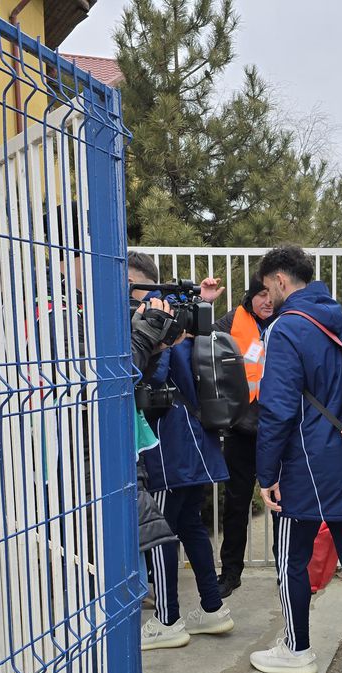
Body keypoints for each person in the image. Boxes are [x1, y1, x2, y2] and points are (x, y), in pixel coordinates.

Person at [251, 245, 342, 673]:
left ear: (280, 280)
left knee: (292, 557)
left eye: (267, 286)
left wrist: (266, 472)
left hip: (306, 467)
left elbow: (276, 409)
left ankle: (297, 650)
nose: (266, 295)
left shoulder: (288, 328)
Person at [129, 251, 235, 650]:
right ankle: (212, 608)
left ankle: (168, 619)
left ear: (139, 284)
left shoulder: (159, 318)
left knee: (159, 533)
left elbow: (151, 375)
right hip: (195, 444)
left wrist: (151, 335)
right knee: (189, 525)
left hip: (168, 449)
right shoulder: (180, 317)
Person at [213, 277, 276, 598]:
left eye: (271, 295)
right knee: (236, 504)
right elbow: (200, 339)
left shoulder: (285, 322)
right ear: (249, 295)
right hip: (241, 429)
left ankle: (286, 570)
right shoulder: (231, 320)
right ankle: (231, 572)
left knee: (281, 503)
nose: (267, 301)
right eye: (260, 295)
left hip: (276, 431)